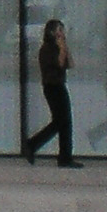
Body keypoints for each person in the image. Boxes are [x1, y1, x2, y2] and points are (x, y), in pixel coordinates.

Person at [23, 17, 81, 168]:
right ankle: (32, 144)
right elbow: (59, 64)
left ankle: (64, 157)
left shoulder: (59, 47)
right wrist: (61, 48)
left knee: (65, 122)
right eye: (59, 30)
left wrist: (65, 47)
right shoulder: (47, 49)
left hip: (60, 86)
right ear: (51, 32)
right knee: (60, 121)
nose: (62, 33)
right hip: (52, 87)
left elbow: (70, 64)